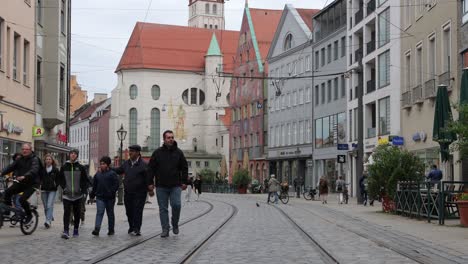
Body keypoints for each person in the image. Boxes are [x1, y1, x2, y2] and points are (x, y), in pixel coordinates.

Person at [147, 130, 189, 238]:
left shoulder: (179, 153)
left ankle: (174, 223)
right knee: (163, 208)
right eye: (168, 137)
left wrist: (184, 181)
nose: (171, 139)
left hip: (175, 185)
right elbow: (151, 169)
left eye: (172, 137)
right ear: (164, 139)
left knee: (176, 205)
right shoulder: (157, 153)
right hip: (161, 186)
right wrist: (150, 183)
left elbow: (184, 168)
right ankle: (165, 228)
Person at [114, 144, 150, 236]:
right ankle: (131, 226)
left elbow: (148, 178)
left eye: (132, 151)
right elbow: (119, 170)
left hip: (140, 192)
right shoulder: (126, 163)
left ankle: (137, 228)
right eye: (130, 151)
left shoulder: (144, 165)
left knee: (138, 210)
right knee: (129, 211)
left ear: (138, 153)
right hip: (128, 192)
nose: (130, 153)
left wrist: (150, 188)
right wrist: (109, 168)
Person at [1, 143, 41, 224]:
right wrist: (1, 173)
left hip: (32, 184)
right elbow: (10, 167)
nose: (24, 151)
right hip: (22, 182)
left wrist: (25, 176)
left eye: (26, 149)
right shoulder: (19, 159)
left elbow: (34, 170)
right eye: (23, 149)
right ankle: (8, 210)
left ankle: (29, 215)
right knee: (7, 192)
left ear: (30, 150)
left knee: (22, 199)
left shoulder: (35, 159)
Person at [57, 149, 88, 239]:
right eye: (71, 153)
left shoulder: (81, 167)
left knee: (77, 213)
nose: (73, 155)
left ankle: (75, 230)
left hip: (78, 195)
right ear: (69, 155)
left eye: (75, 154)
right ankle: (66, 230)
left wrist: (83, 190)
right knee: (66, 213)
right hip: (67, 194)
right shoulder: (64, 167)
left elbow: (84, 180)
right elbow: (60, 179)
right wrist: (64, 187)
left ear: (77, 156)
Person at [90, 156, 119, 236]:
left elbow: (116, 184)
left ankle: (111, 230)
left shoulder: (112, 174)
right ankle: (97, 229)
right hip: (100, 197)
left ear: (108, 165)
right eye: (101, 164)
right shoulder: (97, 175)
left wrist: (112, 192)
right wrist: (92, 196)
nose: (102, 165)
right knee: (99, 212)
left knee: (110, 214)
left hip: (110, 198)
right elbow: (94, 186)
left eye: (104, 164)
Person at [40, 154, 60, 228]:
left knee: (49, 205)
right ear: (45, 161)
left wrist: (56, 185)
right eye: (47, 159)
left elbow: (59, 179)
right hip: (44, 190)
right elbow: (39, 179)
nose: (48, 161)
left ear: (52, 161)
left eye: (49, 159)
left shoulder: (55, 170)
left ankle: (47, 221)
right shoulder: (42, 169)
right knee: (46, 207)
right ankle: (50, 216)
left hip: (52, 190)